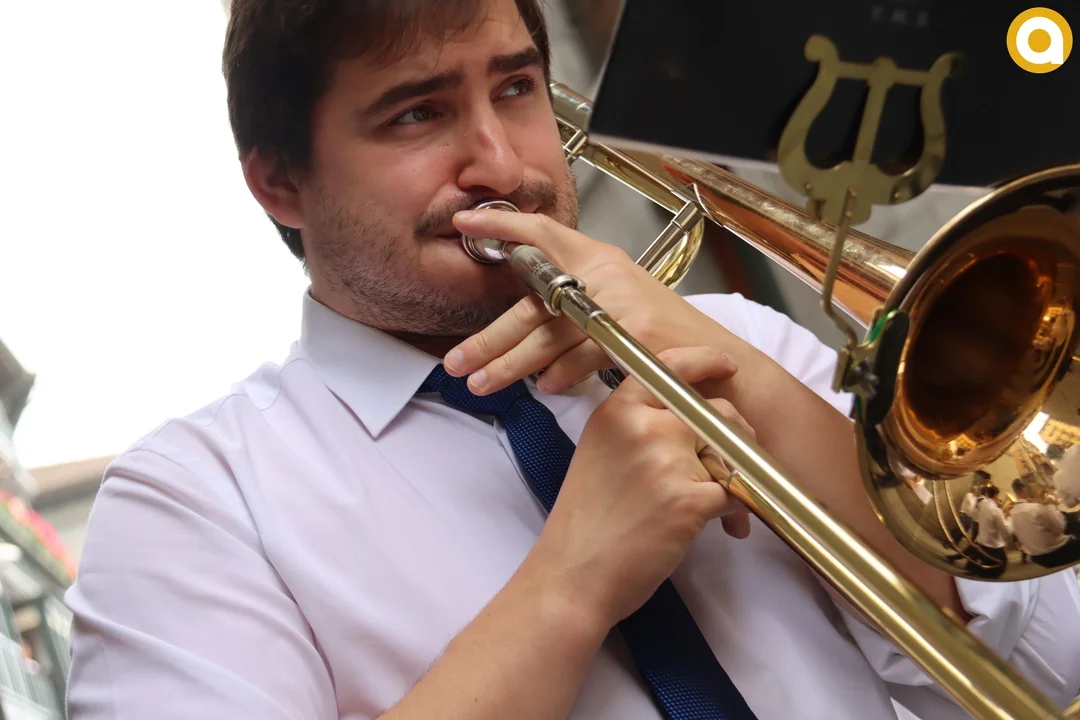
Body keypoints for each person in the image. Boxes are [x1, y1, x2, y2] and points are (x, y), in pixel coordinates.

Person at [63, 1, 1080, 719]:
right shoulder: (193, 499)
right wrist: (571, 583)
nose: (504, 163)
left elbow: (1051, 667)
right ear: (279, 183)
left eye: (517, 89)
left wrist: (746, 377)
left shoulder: (739, 341)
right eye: (417, 112)